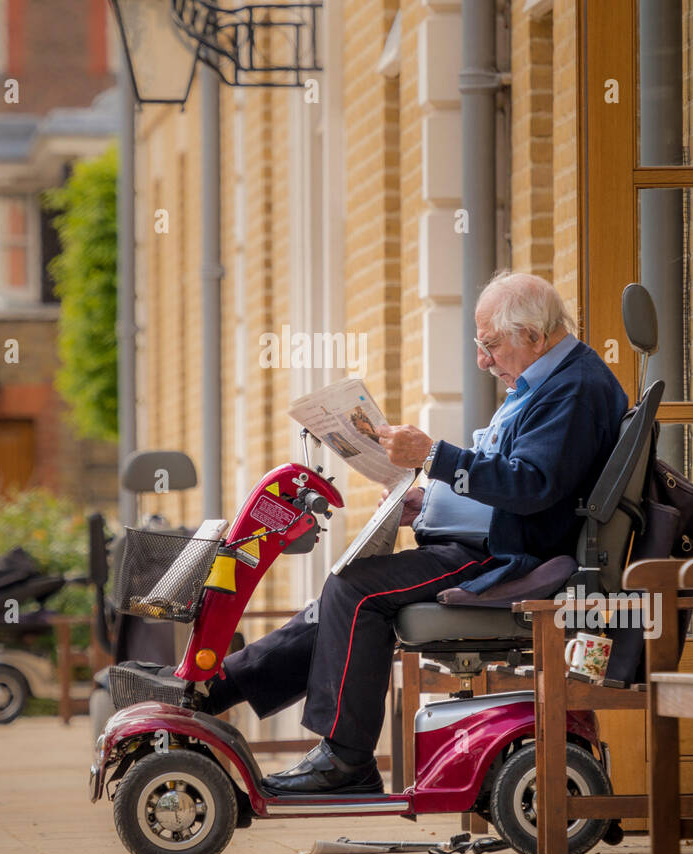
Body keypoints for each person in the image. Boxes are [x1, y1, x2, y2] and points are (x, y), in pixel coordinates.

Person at [129, 270, 629, 794]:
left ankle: (344, 762)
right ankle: (211, 688)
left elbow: (532, 486)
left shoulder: (571, 388)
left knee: (356, 590)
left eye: (490, 345)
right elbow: (514, 475)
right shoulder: (549, 379)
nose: (483, 361)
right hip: (493, 542)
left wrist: (434, 456)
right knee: (343, 590)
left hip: (510, 557)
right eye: (479, 346)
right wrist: (428, 498)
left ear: (533, 334)